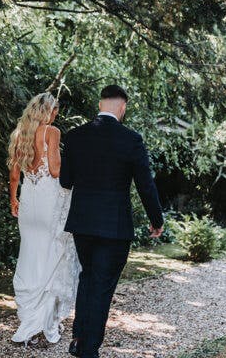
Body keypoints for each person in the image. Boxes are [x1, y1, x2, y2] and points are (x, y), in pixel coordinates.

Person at [61, 85, 164, 358]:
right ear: (122, 107)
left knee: (88, 277)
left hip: (82, 223)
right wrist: (157, 220)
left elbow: (65, 180)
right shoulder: (130, 139)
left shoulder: (74, 136)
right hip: (114, 227)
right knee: (102, 285)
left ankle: (80, 337)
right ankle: (88, 350)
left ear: (100, 104)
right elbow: (145, 184)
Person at [8, 92, 79, 345]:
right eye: (55, 112)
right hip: (49, 203)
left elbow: (15, 176)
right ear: (49, 112)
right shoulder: (52, 132)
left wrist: (13, 200)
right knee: (51, 257)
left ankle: (31, 320)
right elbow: (56, 170)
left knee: (29, 256)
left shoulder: (19, 135)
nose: (56, 116)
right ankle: (42, 323)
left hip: (28, 203)